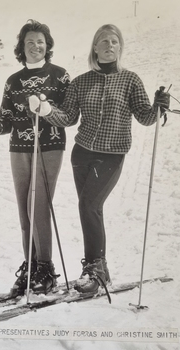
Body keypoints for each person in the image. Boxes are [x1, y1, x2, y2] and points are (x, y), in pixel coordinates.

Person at [28, 24, 170, 296]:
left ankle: (95, 268)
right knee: (90, 209)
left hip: (112, 154)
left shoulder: (131, 80)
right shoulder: (81, 81)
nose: (109, 45)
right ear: (94, 47)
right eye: (103, 41)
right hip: (81, 154)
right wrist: (45, 110)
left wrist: (158, 105)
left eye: (114, 41)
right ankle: (96, 268)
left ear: (120, 47)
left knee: (89, 204)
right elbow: (68, 118)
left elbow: (145, 117)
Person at [0, 20, 71, 295]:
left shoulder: (60, 76)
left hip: (49, 146)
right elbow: (6, 121)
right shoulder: (13, 81)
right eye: (29, 42)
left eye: (40, 41)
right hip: (19, 148)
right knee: (23, 207)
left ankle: (46, 268)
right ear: (22, 47)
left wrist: (45, 110)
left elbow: (67, 117)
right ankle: (31, 266)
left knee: (37, 203)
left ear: (47, 45)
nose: (35, 46)